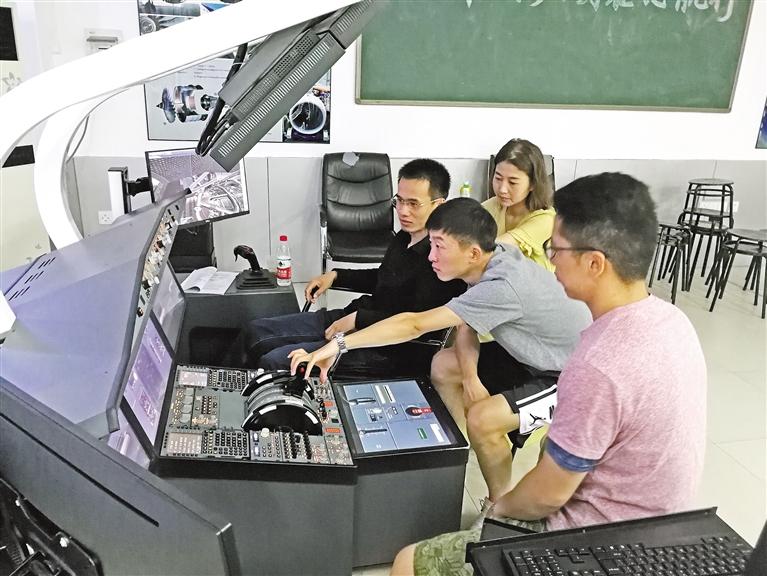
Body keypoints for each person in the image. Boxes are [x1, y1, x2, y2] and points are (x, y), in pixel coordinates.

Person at [389, 173, 707, 576]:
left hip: (599, 542)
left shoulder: (597, 364)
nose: (550, 260)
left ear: (594, 263)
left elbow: (547, 496)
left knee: (406, 563)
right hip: (661, 527)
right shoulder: (673, 321)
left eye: (555, 249)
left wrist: (498, 512)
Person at [289, 198, 591, 505]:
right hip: (530, 354)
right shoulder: (492, 258)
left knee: (484, 420)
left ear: (473, 253)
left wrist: (339, 344)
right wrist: (470, 379)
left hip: (571, 373)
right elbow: (466, 324)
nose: (431, 256)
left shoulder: (502, 286)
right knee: (445, 364)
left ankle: (500, 508)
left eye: (439, 247)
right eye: (431, 244)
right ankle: (460, 453)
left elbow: (413, 325)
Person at [244, 158, 465, 377]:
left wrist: (359, 320)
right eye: (399, 201)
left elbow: (415, 323)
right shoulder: (404, 237)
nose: (403, 211)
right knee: (256, 331)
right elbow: (385, 278)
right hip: (357, 317)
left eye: (413, 204)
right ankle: (227, 388)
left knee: (275, 360)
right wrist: (335, 276)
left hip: (387, 349)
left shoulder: (442, 259)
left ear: (439, 205)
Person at [483, 138, 555, 270]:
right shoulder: (491, 206)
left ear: (533, 184)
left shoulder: (546, 219)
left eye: (512, 182)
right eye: (498, 178)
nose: (502, 189)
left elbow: (499, 248)